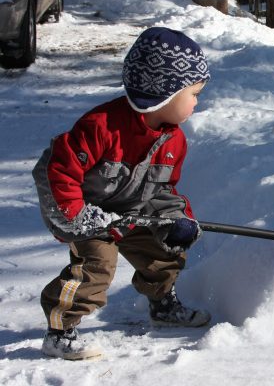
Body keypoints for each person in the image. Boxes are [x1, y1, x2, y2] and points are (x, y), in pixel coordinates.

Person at [32, 27, 211, 360]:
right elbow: (59, 171)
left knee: (165, 252)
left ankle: (162, 305)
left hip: (130, 212)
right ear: (165, 93)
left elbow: (163, 190)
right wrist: (77, 217)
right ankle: (60, 331)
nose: (197, 102)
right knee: (96, 267)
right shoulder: (101, 126)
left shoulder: (174, 142)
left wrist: (176, 218)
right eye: (194, 94)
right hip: (87, 213)